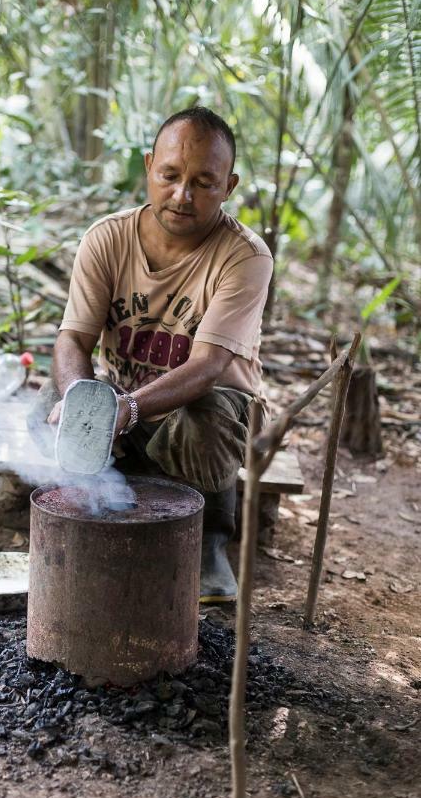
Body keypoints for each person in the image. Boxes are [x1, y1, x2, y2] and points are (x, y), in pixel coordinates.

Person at [32, 106, 273, 602]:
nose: (182, 195)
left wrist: (129, 408)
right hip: (129, 402)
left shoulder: (245, 256)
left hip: (212, 409)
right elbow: (72, 340)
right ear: (148, 167)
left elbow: (207, 366)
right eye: (170, 175)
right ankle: (99, 512)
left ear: (229, 186)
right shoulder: (107, 238)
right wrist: (83, 399)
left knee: (204, 418)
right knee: (44, 407)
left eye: (204, 182)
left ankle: (209, 539)